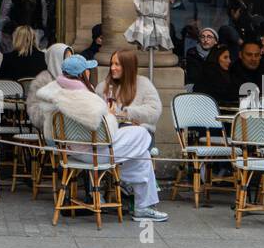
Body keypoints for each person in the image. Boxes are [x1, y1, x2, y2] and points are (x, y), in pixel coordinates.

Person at [35, 54, 168, 222]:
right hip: (91, 151)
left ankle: (140, 203)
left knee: (142, 154)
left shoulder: (53, 90)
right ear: (83, 74)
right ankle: (136, 197)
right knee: (141, 134)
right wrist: (113, 115)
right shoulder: (87, 98)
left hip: (69, 150)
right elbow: (106, 133)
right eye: (88, 70)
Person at [95, 48, 162, 131]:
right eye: (111, 64)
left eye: (117, 64)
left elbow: (154, 111)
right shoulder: (102, 87)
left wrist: (127, 114)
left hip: (138, 132)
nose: (112, 68)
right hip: (111, 132)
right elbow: (95, 112)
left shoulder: (144, 83)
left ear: (127, 66)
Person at [24, 43, 71, 129]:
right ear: (56, 59)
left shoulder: (73, 78)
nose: (70, 62)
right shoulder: (42, 80)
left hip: (70, 127)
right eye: (66, 59)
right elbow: (33, 109)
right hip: (49, 126)